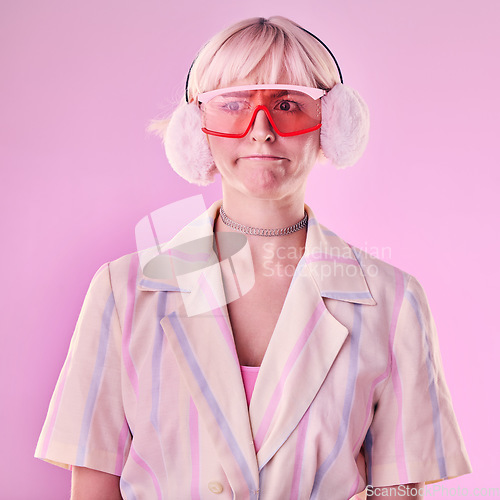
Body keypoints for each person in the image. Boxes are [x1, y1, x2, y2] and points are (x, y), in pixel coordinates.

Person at [35, 16, 471, 499]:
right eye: (234, 105)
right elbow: (93, 488)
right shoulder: (122, 291)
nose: (261, 130)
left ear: (334, 122)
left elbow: (399, 492)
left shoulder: (393, 301)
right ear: (196, 128)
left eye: (287, 105)